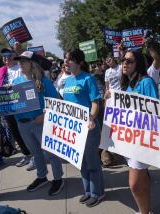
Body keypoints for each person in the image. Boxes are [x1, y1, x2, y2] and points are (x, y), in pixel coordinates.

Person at [12, 51, 64, 195]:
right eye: (19, 61)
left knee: (51, 152)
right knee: (35, 153)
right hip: (22, 124)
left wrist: (44, 114)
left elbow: (56, 103)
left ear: (32, 64)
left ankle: (58, 178)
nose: (20, 64)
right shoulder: (15, 82)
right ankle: (42, 177)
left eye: (24, 61)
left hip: (41, 123)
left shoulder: (44, 81)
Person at [63, 49, 105, 207]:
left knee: (92, 161)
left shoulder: (88, 78)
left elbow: (95, 102)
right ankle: (87, 191)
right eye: (65, 59)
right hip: (73, 129)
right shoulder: (67, 81)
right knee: (81, 162)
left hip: (88, 127)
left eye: (70, 59)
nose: (66, 62)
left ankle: (98, 193)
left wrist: (91, 117)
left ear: (80, 62)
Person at [119, 50, 159, 214]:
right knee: (140, 180)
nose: (124, 63)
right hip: (129, 138)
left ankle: (144, 212)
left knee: (134, 184)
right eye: (123, 60)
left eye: (129, 61)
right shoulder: (127, 84)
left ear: (138, 64)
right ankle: (146, 210)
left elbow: (154, 112)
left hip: (141, 140)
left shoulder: (146, 82)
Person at [0, 48, 34, 169]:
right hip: (8, 107)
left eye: (8, 55)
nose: (6, 58)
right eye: (3, 56)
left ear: (13, 55)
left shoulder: (20, 68)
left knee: (26, 131)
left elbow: (26, 82)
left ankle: (35, 155)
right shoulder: (1, 72)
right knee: (15, 133)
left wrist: (13, 86)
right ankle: (27, 154)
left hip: (22, 105)